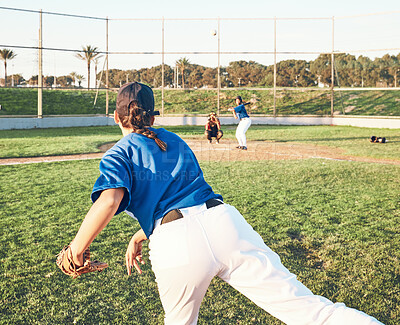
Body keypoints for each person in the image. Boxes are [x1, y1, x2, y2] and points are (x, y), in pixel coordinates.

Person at [60, 82, 383, 325]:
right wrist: (141, 233)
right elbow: (187, 199)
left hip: (175, 244)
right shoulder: (173, 139)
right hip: (226, 224)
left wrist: (75, 251)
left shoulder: (119, 151)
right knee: (309, 310)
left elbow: (110, 200)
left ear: (116, 116)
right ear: (154, 113)